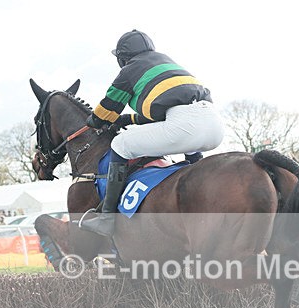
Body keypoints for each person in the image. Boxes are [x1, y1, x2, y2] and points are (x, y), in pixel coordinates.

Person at [82, 30, 224, 237]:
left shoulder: (129, 71)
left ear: (122, 58)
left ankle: (107, 219)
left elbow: (103, 115)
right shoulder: (167, 62)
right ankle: (196, 181)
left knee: (121, 144)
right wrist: (127, 119)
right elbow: (163, 113)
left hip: (184, 125)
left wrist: (92, 120)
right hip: (214, 125)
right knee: (189, 144)